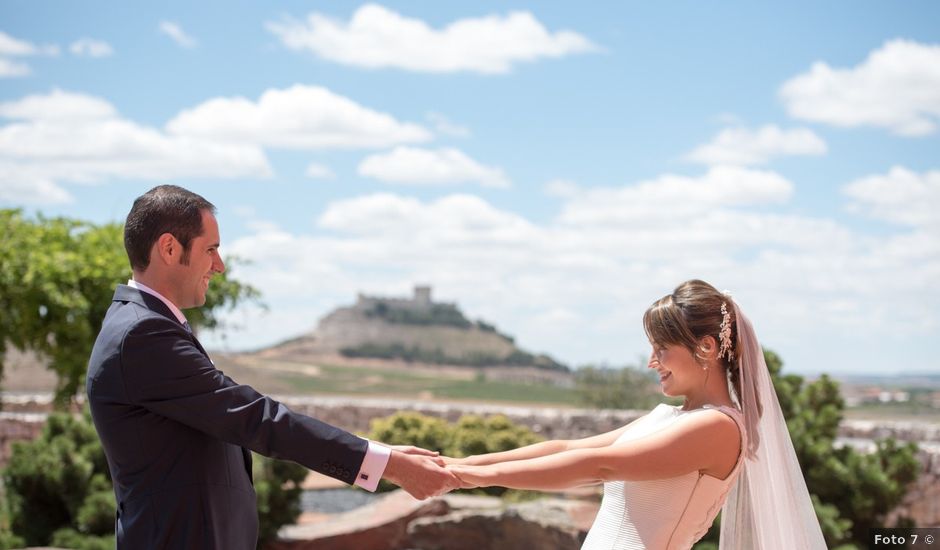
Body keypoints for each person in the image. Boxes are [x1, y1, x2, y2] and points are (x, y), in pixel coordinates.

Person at [86, 185, 458, 549]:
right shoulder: (143, 333)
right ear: (169, 248)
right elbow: (256, 418)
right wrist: (385, 463)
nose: (219, 265)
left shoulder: (148, 325)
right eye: (211, 249)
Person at [445, 280, 827, 549]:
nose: (651, 362)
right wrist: (456, 465)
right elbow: (567, 446)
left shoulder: (718, 427)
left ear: (707, 347)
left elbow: (599, 466)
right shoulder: (670, 416)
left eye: (662, 348)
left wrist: (468, 478)